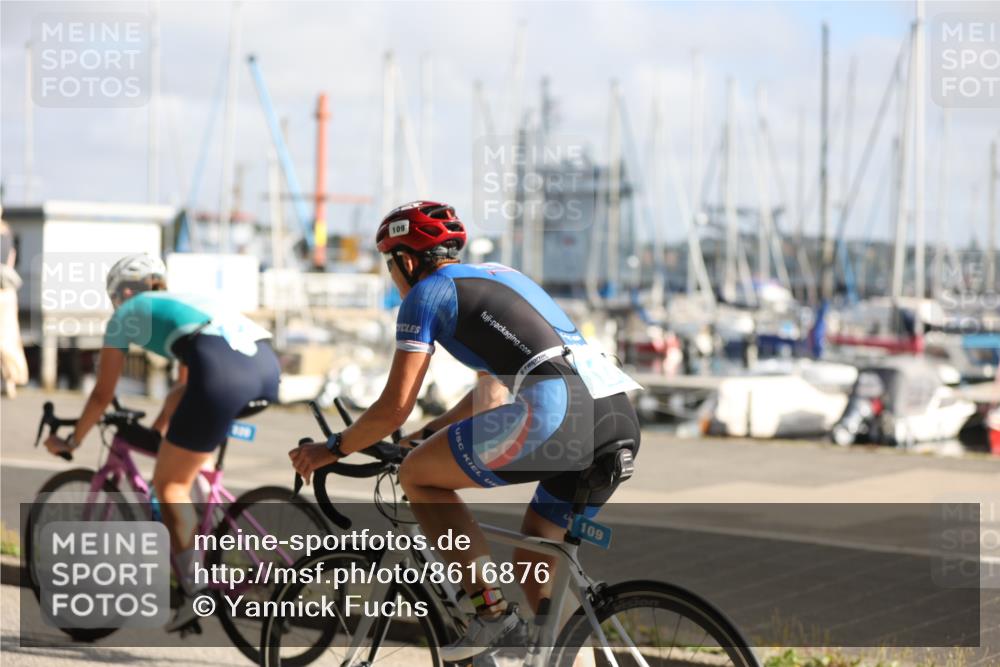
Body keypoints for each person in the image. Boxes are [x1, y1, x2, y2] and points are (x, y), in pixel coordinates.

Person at [290, 201, 642, 660]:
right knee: (537, 558)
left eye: (389, 264)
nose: (392, 276)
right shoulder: (500, 278)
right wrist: (424, 436)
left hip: (558, 415)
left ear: (407, 261)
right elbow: (489, 397)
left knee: (417, 476)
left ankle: (491, 614)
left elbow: (393, 407)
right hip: (615, 413)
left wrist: (334, 448)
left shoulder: (426, 293)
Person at [44, 253, 280, 631]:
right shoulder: (184, 304)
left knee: (169, 485)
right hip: (266, 369)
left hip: (221, 374)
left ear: (123, 292)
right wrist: (158, 431)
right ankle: (207, 515)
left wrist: (72, 440)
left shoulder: (126, 314)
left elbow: (102, 394)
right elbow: (184, 389)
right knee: (186, 446)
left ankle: (196, 592)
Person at [0, 218, 28, 397]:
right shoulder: (8, 232)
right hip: (8, 291)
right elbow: (11, 260)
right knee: (9, 337)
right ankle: (10, 380)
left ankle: (8, 378)